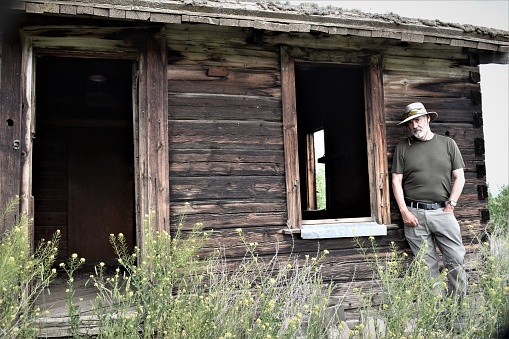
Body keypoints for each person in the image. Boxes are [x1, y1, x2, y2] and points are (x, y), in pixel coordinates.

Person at [391, 102, 467, 298]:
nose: (415, 125)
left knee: (455, 261)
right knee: (427, 268)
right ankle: (437, 317)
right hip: (414, 215)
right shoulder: (402, 147)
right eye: (411, 123)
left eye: (418, 120)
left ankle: (458, 315)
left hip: (444, 212)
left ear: (427, 119)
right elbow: (396, 180)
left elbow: (460, 177)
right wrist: (404, 212)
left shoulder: (447, 144)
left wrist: (451, 205)